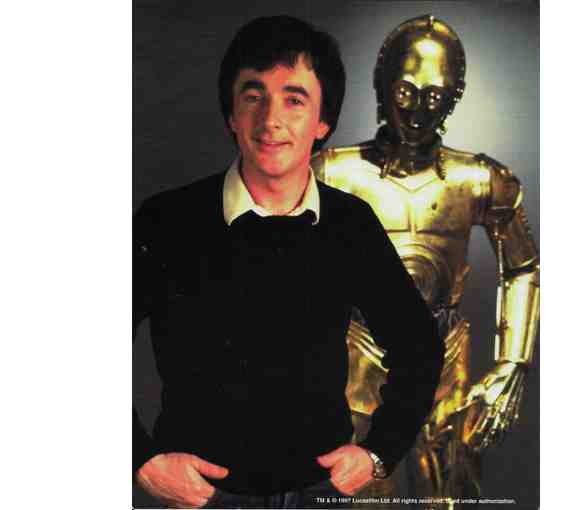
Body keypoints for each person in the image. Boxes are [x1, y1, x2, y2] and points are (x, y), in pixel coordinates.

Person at [133, 16, 443, 509]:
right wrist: (140, 459)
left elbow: (419, 346)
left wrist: (379, 453)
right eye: (253, 96)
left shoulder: (350, 224)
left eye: (294, 99)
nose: (270, 120)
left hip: (320, 493)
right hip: (196, 497)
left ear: (323, 122)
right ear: (231, 114)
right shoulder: (166, 220)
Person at [312, 15, 540, 508]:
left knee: (449, 492)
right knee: (364, 493)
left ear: (455, 97)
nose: (418, 109)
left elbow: (523, 267)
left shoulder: (479, 179)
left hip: (444, 363)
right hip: (359, 358)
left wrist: (512, 364)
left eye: (435, 96)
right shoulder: (332, 173)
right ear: (383, 85)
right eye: (406, 91)